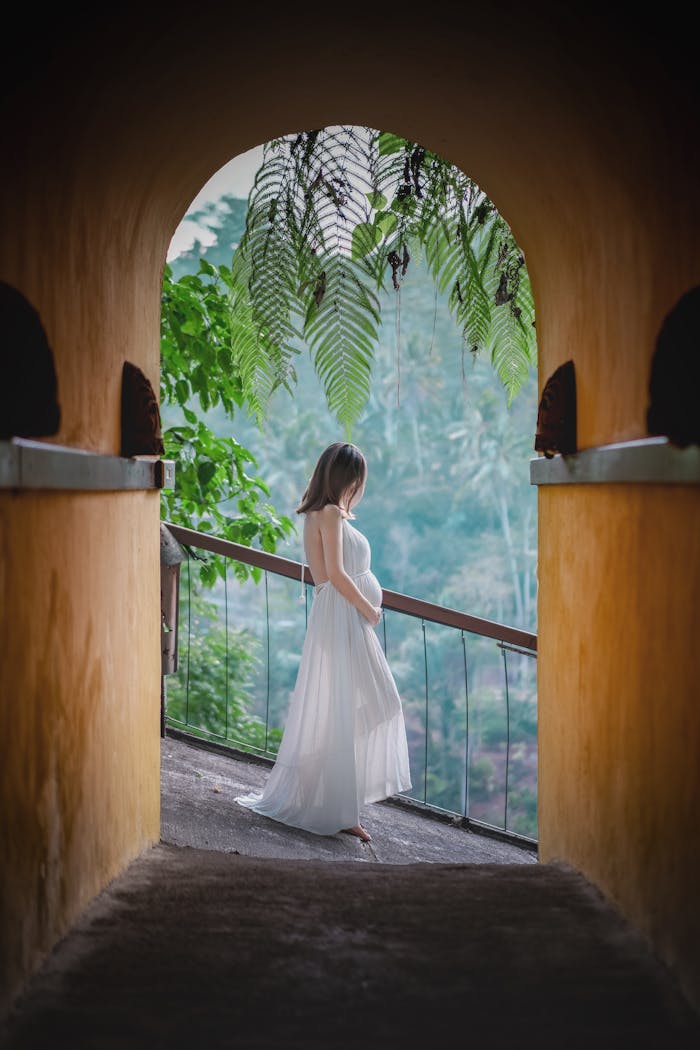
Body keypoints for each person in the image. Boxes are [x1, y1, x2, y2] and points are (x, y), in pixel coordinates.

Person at [236, 442, 412, 842]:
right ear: (346, 478)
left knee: (349, 709)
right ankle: (329, 795)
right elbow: (334, 573)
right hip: (343, 614)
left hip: (340, 614)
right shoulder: (329, 513)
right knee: (380, 703)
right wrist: (369, 609)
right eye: (356, 479)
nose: (357, 486)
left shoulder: (321, 512)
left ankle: (325, 787)